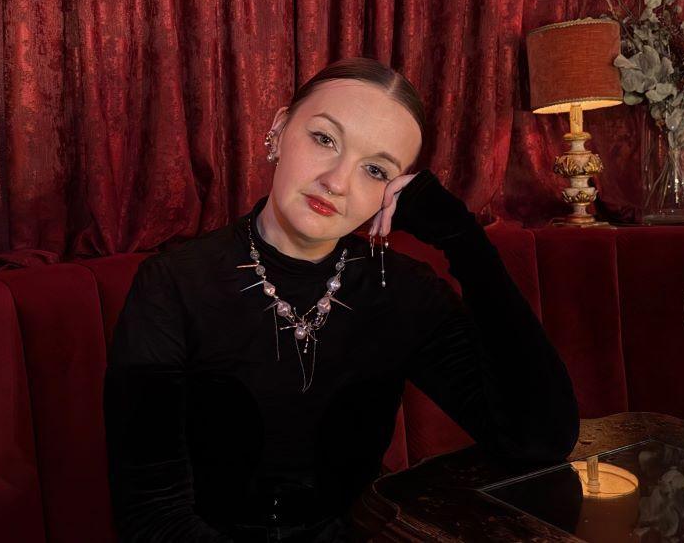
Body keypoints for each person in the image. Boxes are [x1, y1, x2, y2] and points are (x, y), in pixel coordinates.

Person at [103, 57, 579, 542]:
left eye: (375, 169)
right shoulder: (172, 284)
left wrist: (463, 239)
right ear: (279, 129)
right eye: (325, 139)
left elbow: (538, 438)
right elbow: (152, 518)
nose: (337, 181)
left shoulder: (401, 290)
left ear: (392, 191)